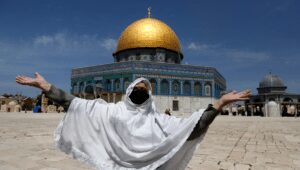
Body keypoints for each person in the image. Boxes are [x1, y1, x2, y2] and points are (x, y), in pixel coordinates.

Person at [16, 72, 251, 170]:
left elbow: (191, 129)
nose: (140, 92)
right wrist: (46, 87)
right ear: (127, 92)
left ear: (150, 94)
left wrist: (219, 104)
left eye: (143, 89)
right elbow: (75, 104)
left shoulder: (160, 121)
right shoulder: (111, 112)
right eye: (136, 89)